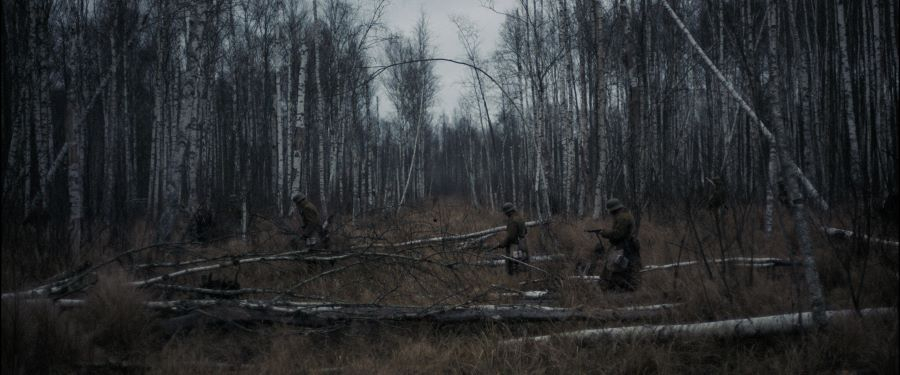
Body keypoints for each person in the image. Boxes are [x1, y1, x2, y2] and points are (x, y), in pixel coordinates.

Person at [593, 198, 641, 291]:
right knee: (623, 268)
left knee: (616, 268)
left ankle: (615, 289)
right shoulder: (625, 215)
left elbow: (618, 234)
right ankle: (623, 288)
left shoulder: (622, 217)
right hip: (626, 246)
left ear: (613, 209)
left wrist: (605, 233)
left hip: (623, 247)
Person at [495, 202, 529, 275]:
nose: (505, 214)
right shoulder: (520, 218)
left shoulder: (512, 220)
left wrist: (502, 244)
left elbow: (511, 237)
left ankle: (514, 281)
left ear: (508, 212)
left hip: (514, 247)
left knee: (512, 267)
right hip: (523, 244)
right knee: (523, 264)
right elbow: (525, 231)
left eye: (506, 213)